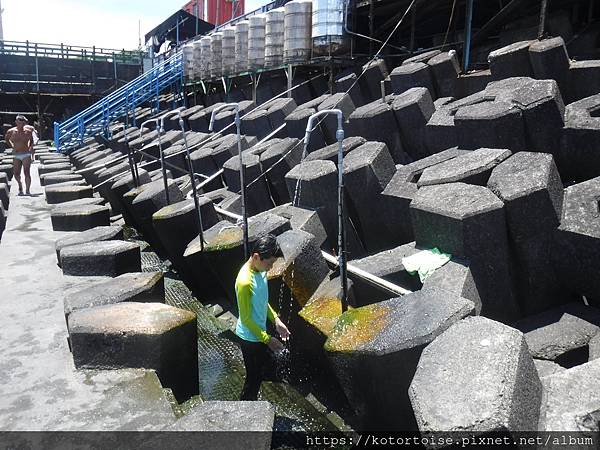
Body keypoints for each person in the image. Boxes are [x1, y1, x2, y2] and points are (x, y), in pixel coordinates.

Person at [235, 234, 291, 401]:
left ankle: (252, 406)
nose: (270, 268)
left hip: (259, 333)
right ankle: (244, 412)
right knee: (253, 379)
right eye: (269, 264)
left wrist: (276, 320)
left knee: (259, 374)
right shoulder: (245, 282)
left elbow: (262, 301)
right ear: (256, 257)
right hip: (249, 338)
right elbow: (246, 319)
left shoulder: (260, 270)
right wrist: (268, 340)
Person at [5, 115, 35, 195]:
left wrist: (30, 147)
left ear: (24, 122)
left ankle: (28, 190)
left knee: (26, 172)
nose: (20, 123)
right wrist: (12, 146)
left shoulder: (28, 131)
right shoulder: (11, 131)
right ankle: (20, 185)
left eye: (22, 122)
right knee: (16, 173)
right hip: (16, 154)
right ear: (16, 122)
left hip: (26, 153)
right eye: (19, 121)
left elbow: (32, 141)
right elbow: (6, 139)